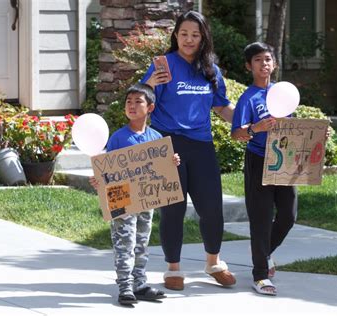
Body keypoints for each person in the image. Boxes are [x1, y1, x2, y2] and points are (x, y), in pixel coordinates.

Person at [141, 10, 242, 291]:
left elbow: (221, 106)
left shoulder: (211, 69)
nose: (188, 39)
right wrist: (149, 84)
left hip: (201, 145)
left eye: (195, 35)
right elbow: (142, 101)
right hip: (167, 143)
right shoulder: (163, 65)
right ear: (175, 36)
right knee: (172, 209)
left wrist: (248, 121)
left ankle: (214, 263)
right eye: (183, 33)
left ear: (203, 38)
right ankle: (173, 268)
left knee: (211, 207)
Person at [89, 83, 181, 305]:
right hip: (122, 199)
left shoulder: (156, 138)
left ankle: (139, 284)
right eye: (128, 102)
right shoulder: (118, 138)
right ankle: (125, 287)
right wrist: (100, 181)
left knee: (142, 242)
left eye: (138, 101)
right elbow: (109, 169)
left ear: (150, 107)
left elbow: (160, 170)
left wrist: (172, 163)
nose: (132, 105)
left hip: (146, 201)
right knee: (124, 242)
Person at [231, 42, 297, 296]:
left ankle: (264, 254)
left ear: (275, 64)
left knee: (288, 215)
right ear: (249, 66)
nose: (264, 64)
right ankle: (260, 275)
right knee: (260, 218)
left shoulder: (283, 93)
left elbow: (293, 127)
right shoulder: (248, 98)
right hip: (258, 158)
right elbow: (236, 134)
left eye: (268, 59)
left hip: (284, 159)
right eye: (258, 60)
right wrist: (255, 129)